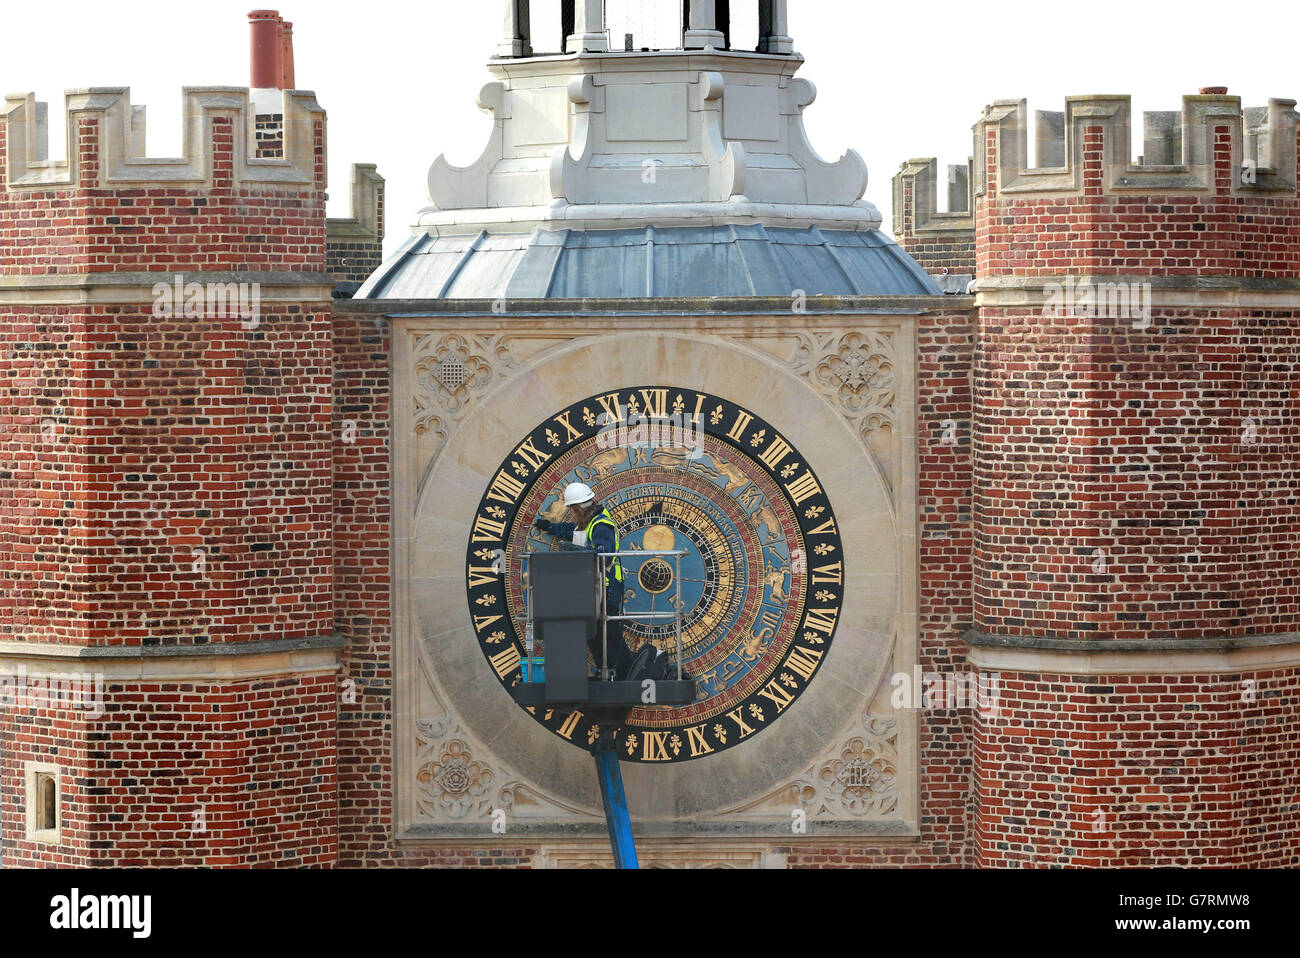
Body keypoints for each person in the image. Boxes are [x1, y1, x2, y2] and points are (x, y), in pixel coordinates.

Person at [534, 483, 634, 680]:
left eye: (572, 508)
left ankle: (624, 676)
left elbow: (601, 553)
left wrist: (576, 553)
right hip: (595, 590)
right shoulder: (589, 523)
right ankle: (608, 673)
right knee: (596, 636)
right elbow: (572, 531)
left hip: (607, 589)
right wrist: (551, 527)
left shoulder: (602, 526)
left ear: (579, 507)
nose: (571, 512)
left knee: (610, 635)